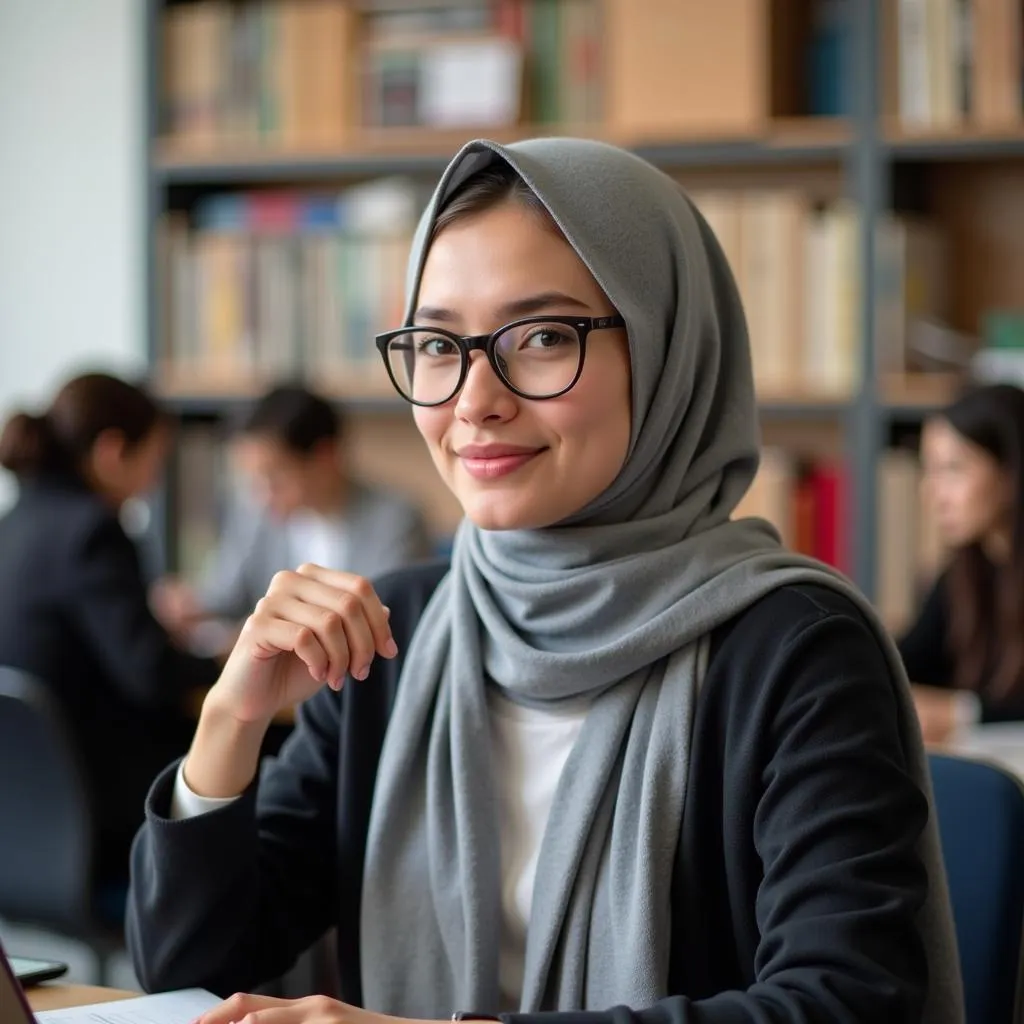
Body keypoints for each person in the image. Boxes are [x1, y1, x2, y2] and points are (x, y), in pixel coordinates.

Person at [127, 139, 962, 1024]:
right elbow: (189, 965)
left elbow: (846, 1004)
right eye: (438, 344)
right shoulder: (394, 628)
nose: (474, 400)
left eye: (543, 338)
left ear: (666, 351)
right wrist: (231, 719)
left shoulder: (793, 647)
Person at [0, 372, 220, 885]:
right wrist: (226, 659)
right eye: (154, 461)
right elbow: (152, 675)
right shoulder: (92, 529)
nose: (156, 482)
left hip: (23, 818)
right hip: (100, 817)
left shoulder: (15, 521)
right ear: (112, 451)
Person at [151, 384, 432, 650]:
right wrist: (189, 604)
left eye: (274, 478)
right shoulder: (257, 510)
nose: (262, 495)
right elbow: (226, 593)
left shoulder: (395, 522)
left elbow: (380, 622)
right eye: (253, 480)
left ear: (325, 456)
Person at [899, 383, 1024, 743]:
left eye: (953, 470)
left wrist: (959, 714)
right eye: (929, 470)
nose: (932, 494)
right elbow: (907, 661)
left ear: (1010, 473)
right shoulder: (962, 573)